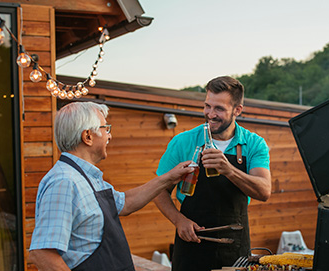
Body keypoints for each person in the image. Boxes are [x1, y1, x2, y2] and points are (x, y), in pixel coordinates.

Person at [28, 102, 194, 271]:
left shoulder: (87, 178)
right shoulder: (64, 182)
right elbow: (42, 254)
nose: (109, 136)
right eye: (105, 129)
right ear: (88, 136)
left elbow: (126, 202)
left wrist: (168, 178)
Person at [154, 76, 272, 271]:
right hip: (192, 244)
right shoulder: (182, 142)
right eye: (207, 106)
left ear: (237, 110)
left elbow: (264, 191)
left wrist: (229, 170)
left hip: (235, 246)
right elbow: (158, 190)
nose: (210, 114)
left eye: (219, 109)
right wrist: (179, 220)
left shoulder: (254, 144)